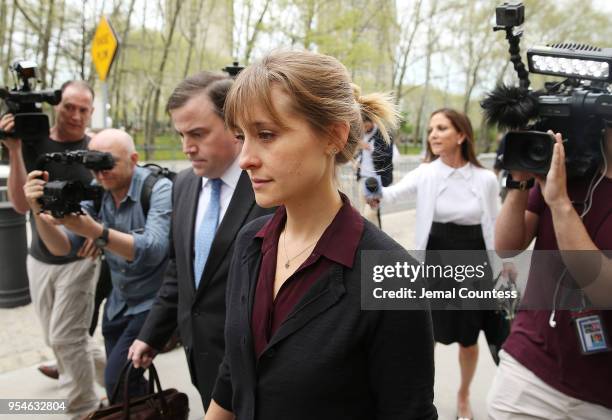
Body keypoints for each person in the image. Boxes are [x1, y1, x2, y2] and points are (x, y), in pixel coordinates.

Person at [204, 50, 436, 420]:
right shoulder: (251, 243)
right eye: (240, 137)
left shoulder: (392, 275)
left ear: (332, 136)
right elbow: (233, 375)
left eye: (266, 134)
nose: (245, 157)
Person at [129, 71, 273, 410]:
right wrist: (152, 334)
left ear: (236, 126)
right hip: (201, 357)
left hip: (256, 370)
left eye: (197, 133)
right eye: (180, 134)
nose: (186, 147)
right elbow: (180, 272)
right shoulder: (183, 184)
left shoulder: (269, 189)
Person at [22, 128, 173, 402]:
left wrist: (97, 232)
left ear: (134, 158)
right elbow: (64, 247)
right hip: (119, 304)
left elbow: (152, 250)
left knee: (117, 379)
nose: (100, 173)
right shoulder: (98, 192)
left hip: (153, 303)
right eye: (94, 165)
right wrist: (38, 211)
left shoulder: (158, 188)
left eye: (107, 163)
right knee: (127, 387)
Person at [370, 108, 499, 420]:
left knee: (468, 341)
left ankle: (464, 394)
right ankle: (420, 399)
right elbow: (389, 195)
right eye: (431, 129)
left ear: (462, 135)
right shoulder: (426, 172)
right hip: (434, 264)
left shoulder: (486, 179)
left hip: (473, 264)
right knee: (425, 338)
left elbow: (494, 226)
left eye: (441, 128)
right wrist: (372, 187)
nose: (433, 135)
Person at [488, 128, 612, 419]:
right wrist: (520, 182)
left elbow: (603, 289)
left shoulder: (560, 188)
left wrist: (559, 203)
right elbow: (508, 247)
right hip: (528, 369)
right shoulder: (568, 167)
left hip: (602, 395)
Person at [0, 81, 105, 416]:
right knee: (62, 338)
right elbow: (19, 204)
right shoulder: (34, 143)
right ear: (56, 106)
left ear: (91, 112)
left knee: (65, 338)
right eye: (69, 107)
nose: (75, 115)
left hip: (81, 260)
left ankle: (84, 408)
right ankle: (123, 377)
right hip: (40, 258)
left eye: (83, 109)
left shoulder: (95, 148)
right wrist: (14, 150)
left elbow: (114, 199)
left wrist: (101, 233)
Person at [355, 112, 398, 227]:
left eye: (366, 125)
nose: (364, 128)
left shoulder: (384, 134)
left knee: (370, 213)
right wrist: (357, 159)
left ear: (372, 121)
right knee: (363, 211)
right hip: (362, 178)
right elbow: (359, 154)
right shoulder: (361, 135)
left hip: (375, 180)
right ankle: (373, 238)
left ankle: (373, 240)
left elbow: (387, 156)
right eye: (361, 126)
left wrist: (369, 148)